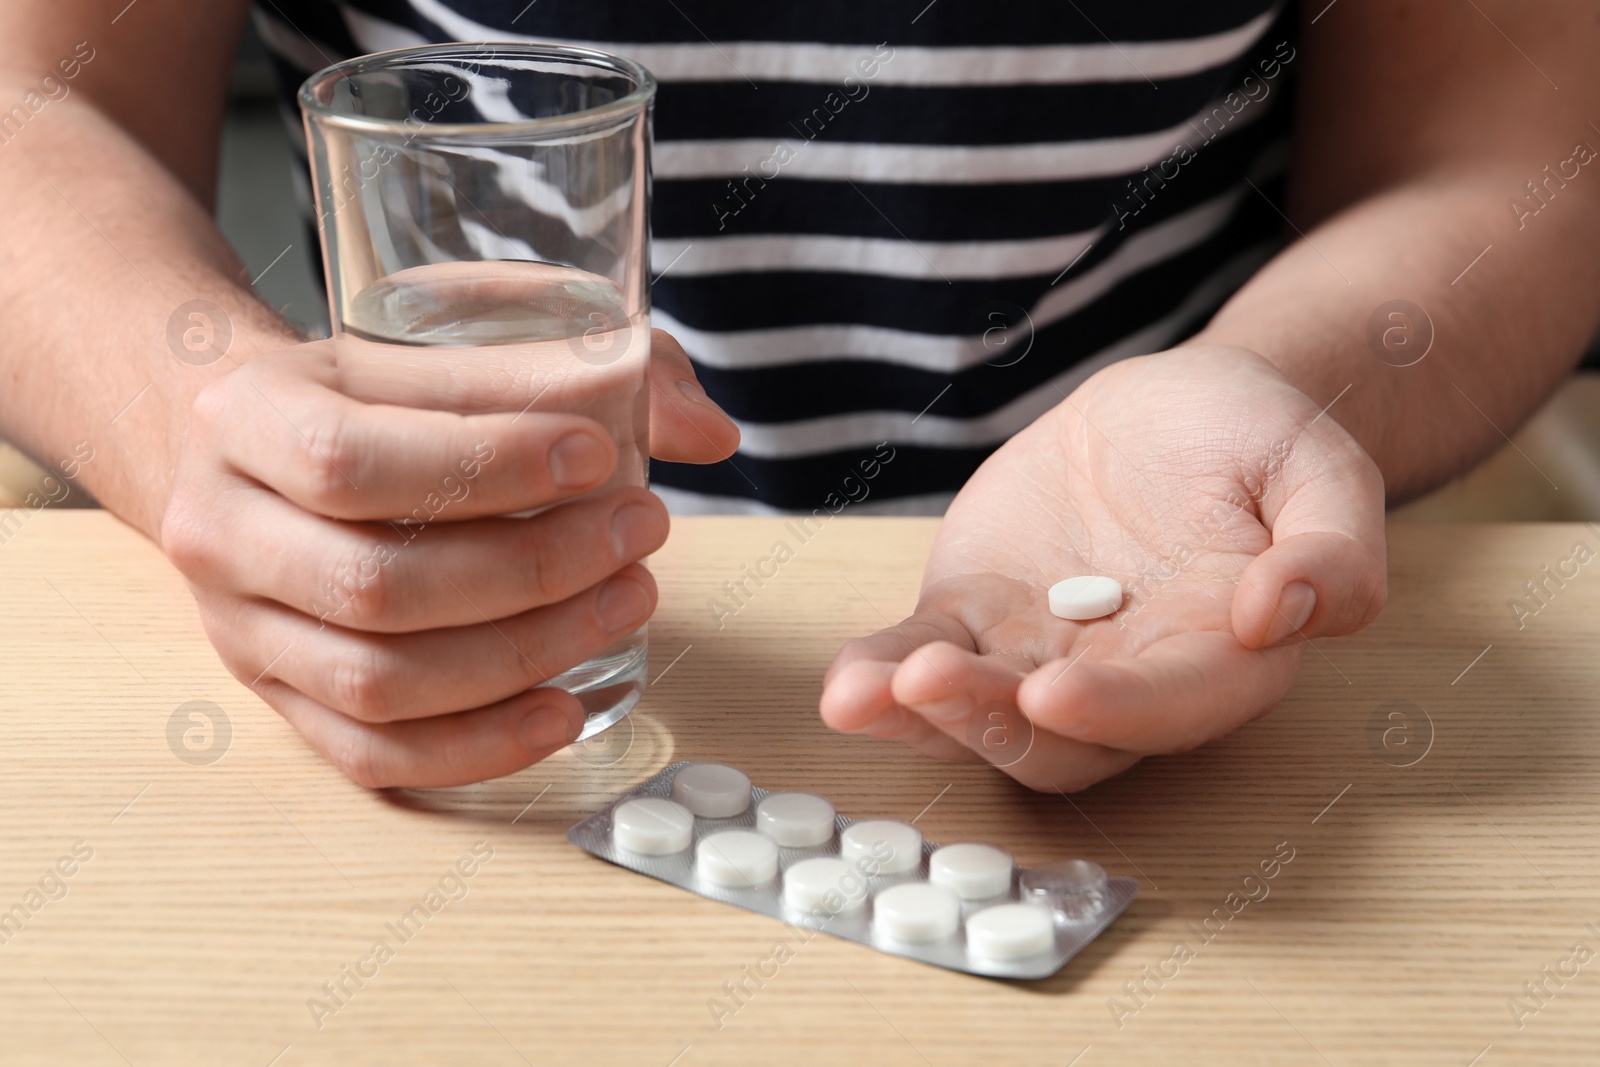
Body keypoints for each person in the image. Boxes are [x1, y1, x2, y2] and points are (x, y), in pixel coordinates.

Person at [1, 1, 1597, 790]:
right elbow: (32, 106)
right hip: (486, 656)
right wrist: (203, 421)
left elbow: (1514, 151)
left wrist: (1268, 393)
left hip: (1180, 610)